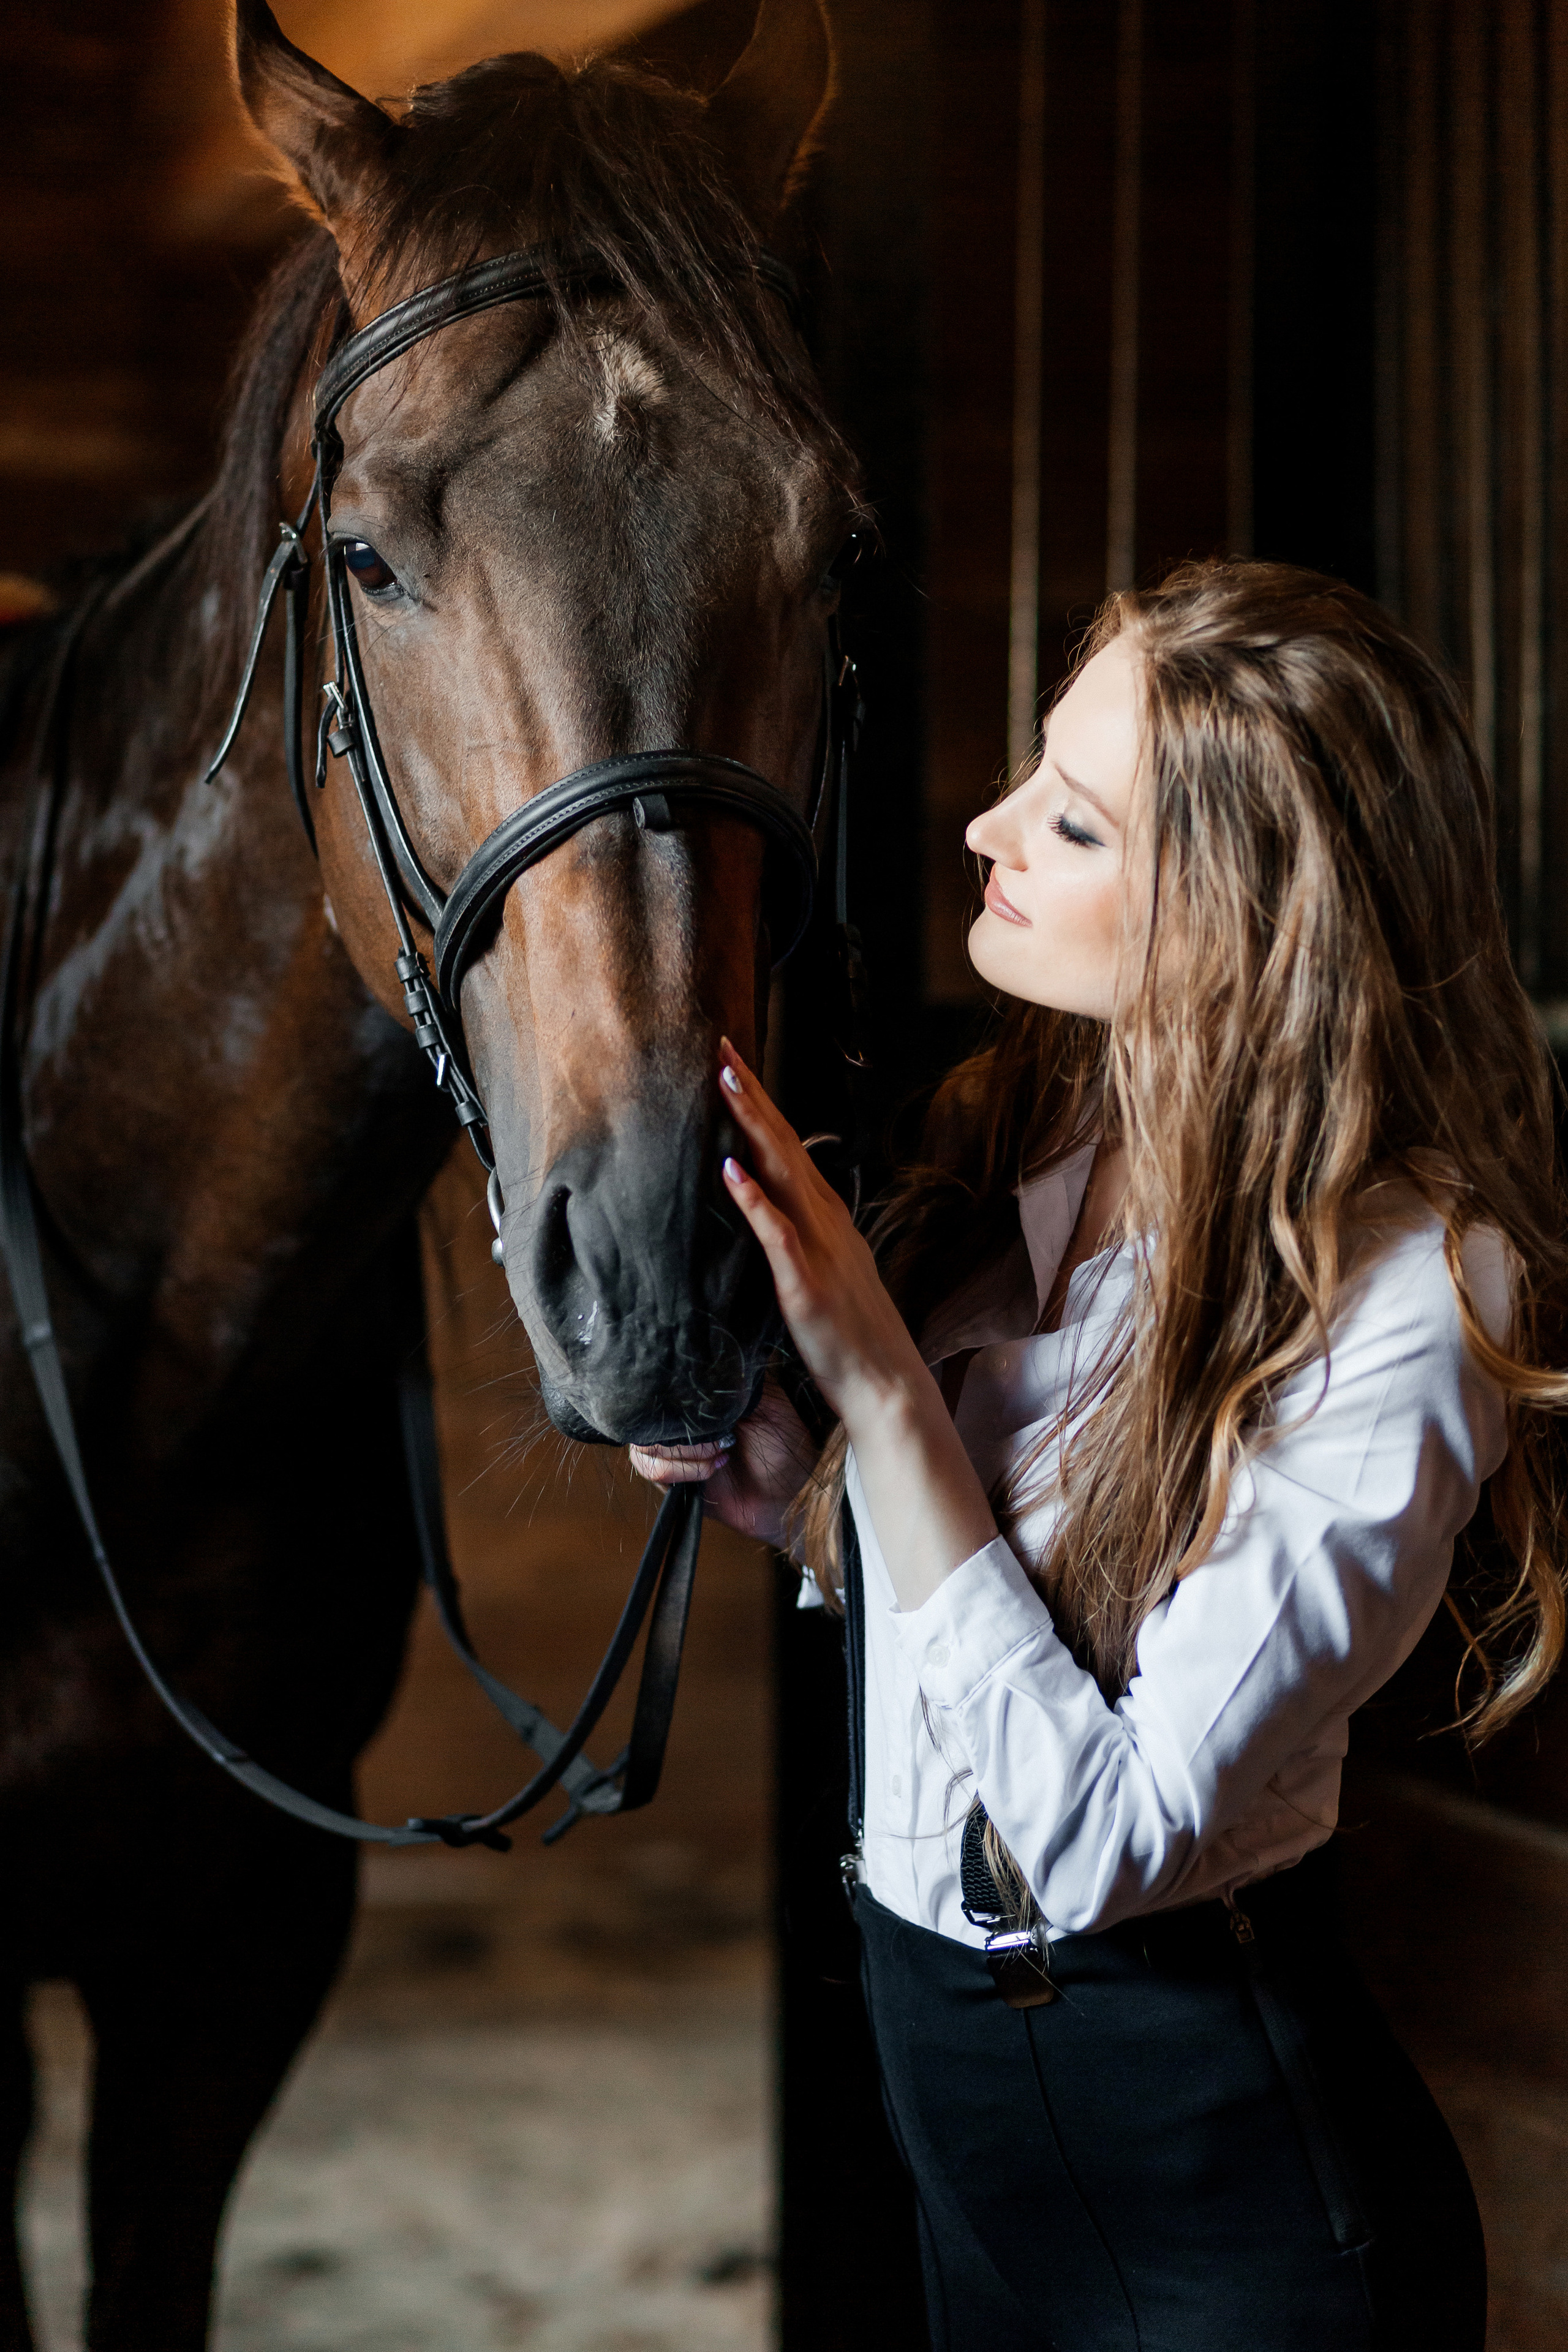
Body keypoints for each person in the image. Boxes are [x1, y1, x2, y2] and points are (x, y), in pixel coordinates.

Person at [630, 558, 1568, 2351]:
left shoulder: (1410, 1295)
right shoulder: (1035, 1125)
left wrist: (886, 1399)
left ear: (1237, 919)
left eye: (1072, 822)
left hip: (1233, 2243)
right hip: (975, 2190)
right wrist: (815, 1503)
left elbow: (1105, 1836)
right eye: (1032, 775)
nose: (987, 827)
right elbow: (1032, 1604)